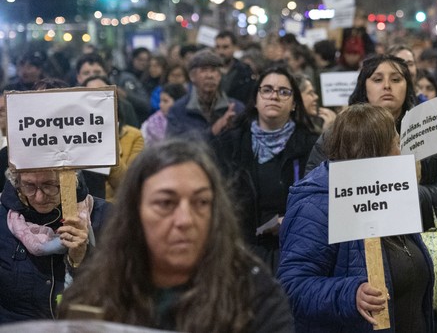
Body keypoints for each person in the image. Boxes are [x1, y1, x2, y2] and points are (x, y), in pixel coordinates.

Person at [58, 139, 294, 332]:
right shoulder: (93, 294)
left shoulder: (255, 294)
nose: (185, 220)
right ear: (135, 212)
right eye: (165, 203)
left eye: (201, 202)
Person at [278, 104, 435, 332]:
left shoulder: (388, 191)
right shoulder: (316, 205)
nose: (402, 152)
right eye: (397, 144)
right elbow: (292, 288)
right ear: (376, 151)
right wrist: (351, 294)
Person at [306, 54, 437, 233]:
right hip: (353, 245)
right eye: (377, 79)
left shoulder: (429, 132)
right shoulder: (337, 134)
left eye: (396, 79)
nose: (387, 86)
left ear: (408, 87)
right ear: (363, 87)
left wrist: (409, 192)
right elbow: (313, 196)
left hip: (416, 245)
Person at [212, 66, 318, 271]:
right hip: (240, 253)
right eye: (267, 90)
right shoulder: (229, 144)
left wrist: (293, 219)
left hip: (296, 252)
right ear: (256, 99)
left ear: (294, 104)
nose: (274, 96)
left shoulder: (311, 146)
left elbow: (321, 200)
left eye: (283, 92)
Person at [0, 167, 110, 322]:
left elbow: (117, 288)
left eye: (49, 185)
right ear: (16, 183)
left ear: (71, 180)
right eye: (29, 186)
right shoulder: (3, 217)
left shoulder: (105, 216)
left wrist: (80, 257)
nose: (39, 197)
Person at [83, 75, 144, 201]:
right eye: (91, 96)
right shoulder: (73, 138)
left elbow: (130, 186)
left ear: (115, 102)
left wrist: (105, 144)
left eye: (102, 96)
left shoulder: (134, 136)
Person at [166, 50, 244, 140]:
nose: (209, 76)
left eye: (214, 70)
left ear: (220, 76)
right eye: (204, 70)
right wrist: (213, 131)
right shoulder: (178, 110)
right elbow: (175, 147)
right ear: (192, 76)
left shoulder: (236, 109)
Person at [216, 30, 255, 104]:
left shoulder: (245, 71)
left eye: (225, 47)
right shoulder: (210, 71)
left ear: (234, 47)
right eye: (218, 47)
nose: (221, 52)